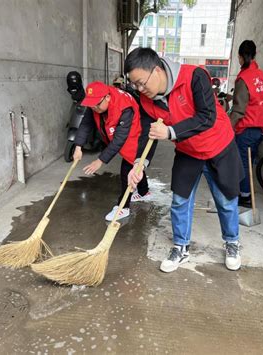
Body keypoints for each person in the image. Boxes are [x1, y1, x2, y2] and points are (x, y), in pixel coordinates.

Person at [124, 47, 244, 272]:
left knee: (225, 199)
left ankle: (232, 242)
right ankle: (181, 247)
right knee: (180, 200)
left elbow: (207, 116)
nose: (140, 89)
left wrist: (169, 132)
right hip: (188, 151)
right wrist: (140, 163)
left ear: (157, 70)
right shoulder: (146, 99)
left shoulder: (194, 77)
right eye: (135, 85)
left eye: (142, 82)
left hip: (218, 145)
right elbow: (145, 134)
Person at [73, 81, 152, 221]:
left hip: (134, 133)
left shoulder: (124, 107)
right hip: (120, 133)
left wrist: (100, 160)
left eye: (97, 104)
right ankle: (144, 192)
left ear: (107, 97)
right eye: (91, 105)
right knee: (136, 167)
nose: (94, 108)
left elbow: (119, 139)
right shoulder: (96, 103)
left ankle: (123, 207)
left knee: (128, 168)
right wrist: (78, 147)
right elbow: (86, 124)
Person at [230, 40, 263, 208]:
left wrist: (227, 128)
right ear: (254, 55)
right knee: (249, 161)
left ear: (240, 57)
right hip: (260, 129)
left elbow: (239, 110)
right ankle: (246, 192)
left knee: (243, 163)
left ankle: (245, 196)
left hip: (246, 129)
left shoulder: (244, 79)